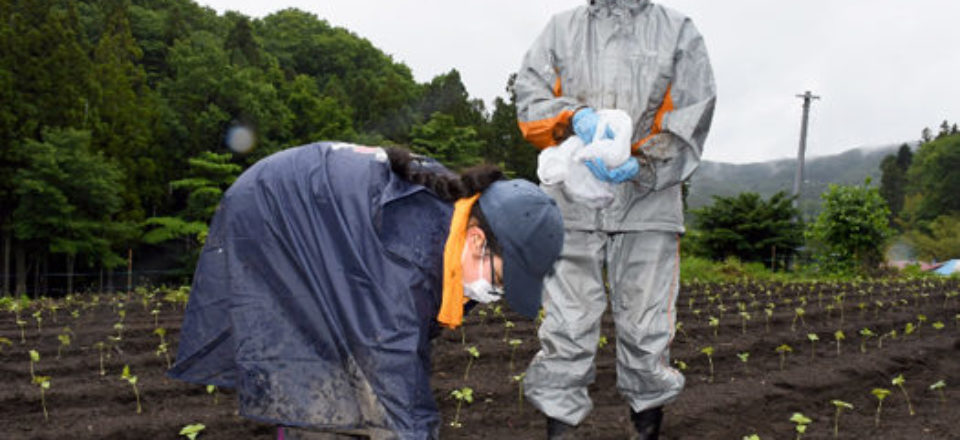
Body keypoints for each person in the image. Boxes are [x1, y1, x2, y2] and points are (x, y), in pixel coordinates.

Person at [167, 141, 564, 440]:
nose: (496, 294)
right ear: (478, 241)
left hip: (319, 227)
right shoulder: (407, 257)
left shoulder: (452, 228)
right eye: (501, 279)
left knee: (364, 381)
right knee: (314, 382)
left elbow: (408, 346)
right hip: (272, 219)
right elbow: (397, 372)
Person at [515, 0, 716, 439]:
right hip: (572, 200)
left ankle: (646, 429)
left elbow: (691, 115)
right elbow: (530, 96)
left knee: (647, 330)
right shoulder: (561, 29)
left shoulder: (678, 31)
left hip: (650, 202)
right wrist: (573, 117)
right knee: (566, 326)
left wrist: (642, 164)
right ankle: (560, 431)